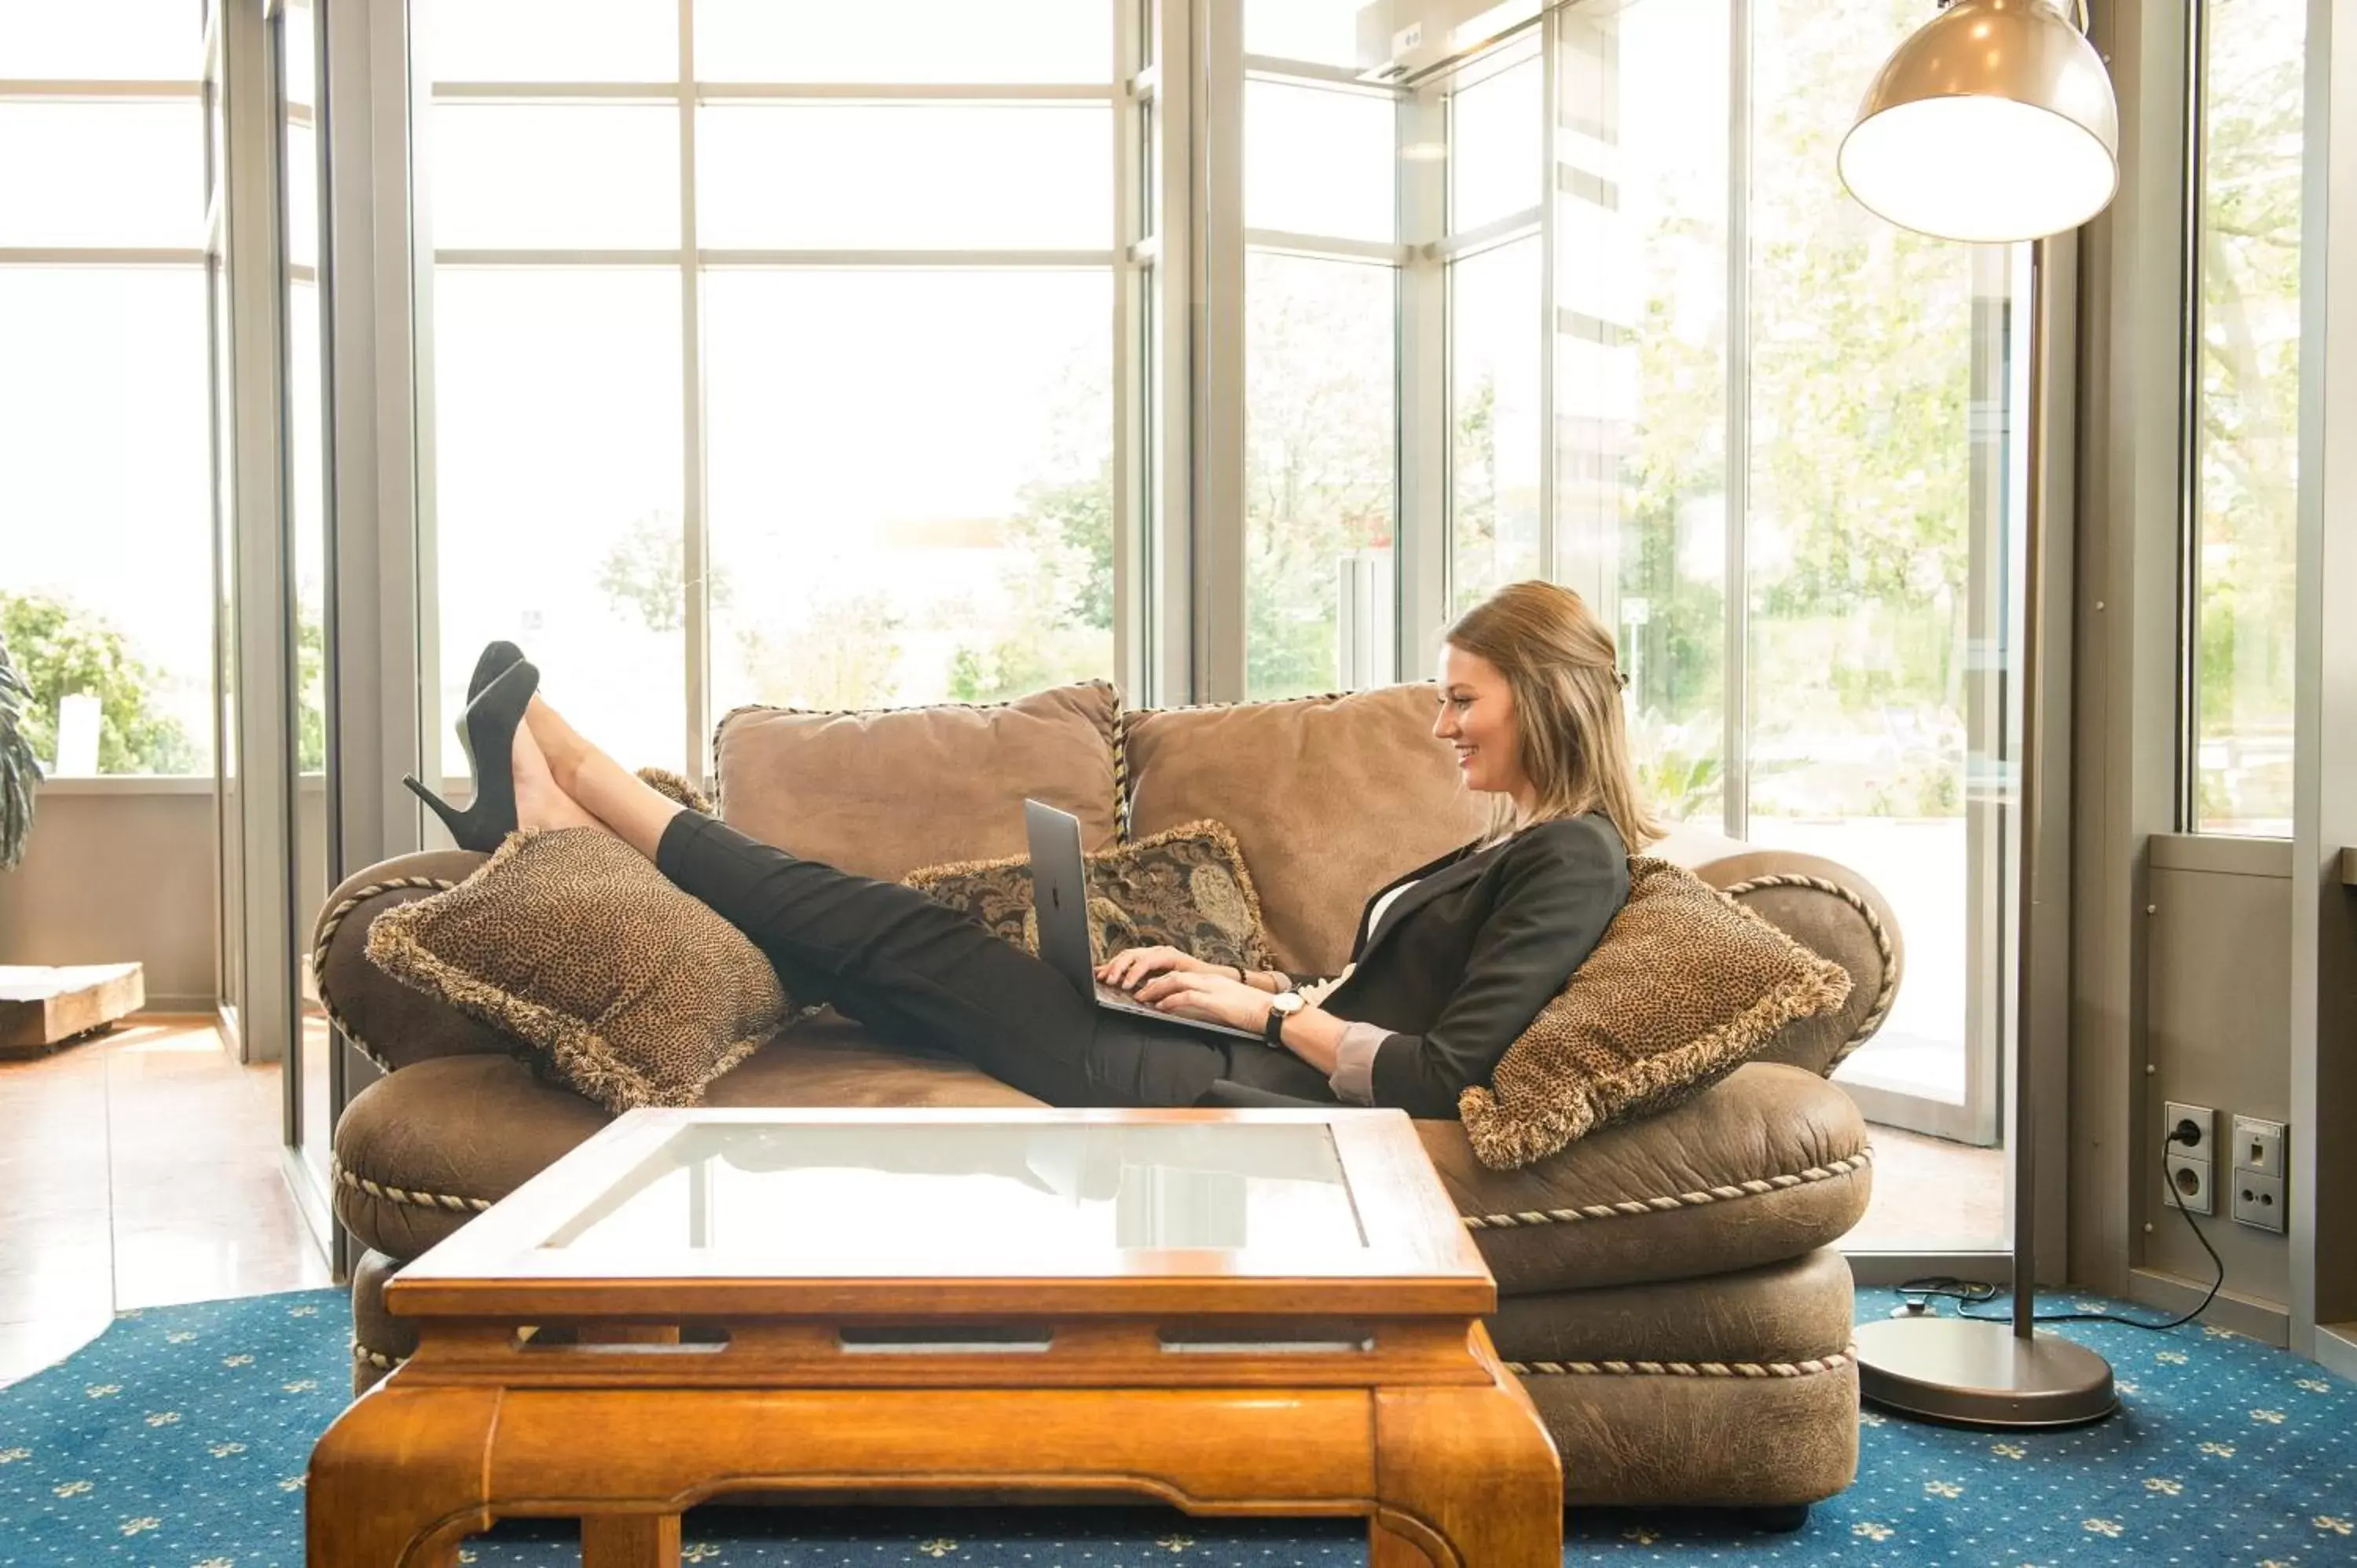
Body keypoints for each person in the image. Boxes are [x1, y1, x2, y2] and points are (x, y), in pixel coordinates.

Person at [405, 581, 1659, 1118]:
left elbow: (1446, 1078)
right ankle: (562, 800)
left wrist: (1264, 1020)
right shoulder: (1529, 844)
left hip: (1222, 1091)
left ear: (1547, 698)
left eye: (1463, 699)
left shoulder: (1575, 862)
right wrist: (1261, 991)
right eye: (1443, 698)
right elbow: (1391, 1002)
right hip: (1222, 1046)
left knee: (866, 926)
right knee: (849, 943)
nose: (1439, 724)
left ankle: (569, 780)